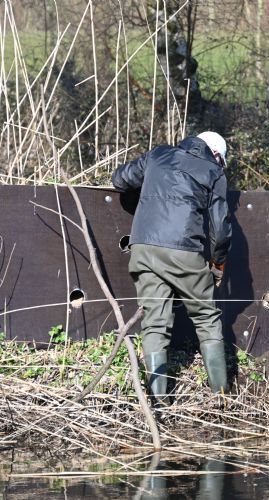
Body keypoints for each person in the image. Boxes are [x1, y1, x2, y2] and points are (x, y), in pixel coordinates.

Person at [112, 131, 231, 400]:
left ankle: (158, 402)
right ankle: (222, 398)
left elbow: (119, 180)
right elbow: (221, 228)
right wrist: (218, 263)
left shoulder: (158, 154)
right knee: (207, 318)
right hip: (184, 249)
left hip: (143, 247)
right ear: (215, 155)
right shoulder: (213, 172)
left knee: (154, 324)